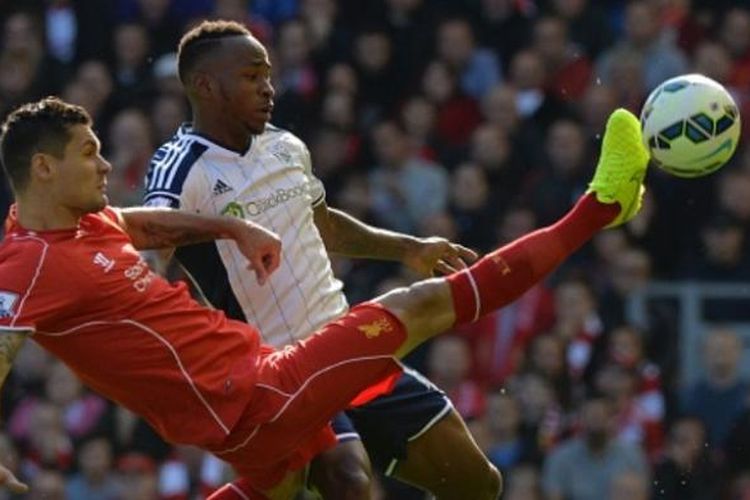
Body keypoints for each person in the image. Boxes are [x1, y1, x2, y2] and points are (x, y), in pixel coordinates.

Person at [0, 96, 648, 499]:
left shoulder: (74, 222)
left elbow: (135, 223)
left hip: (236, 405)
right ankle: (600, 209)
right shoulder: (25, 266)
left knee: (325, 485)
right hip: (254, 393)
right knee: (419, 305)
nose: (106, 167)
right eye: (89, 155)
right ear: (44, 168)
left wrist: (230, 226)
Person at [143, 20, 479, 499]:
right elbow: (152, 236)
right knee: (348, 480)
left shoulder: (286, 146)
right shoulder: (181, 165)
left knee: (476, 484)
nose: (268, 89)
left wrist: (410, 248)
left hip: (347, 344)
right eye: (251, 76)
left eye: (268, 75)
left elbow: (324, 225)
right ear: (205, 85)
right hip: (280, 373)